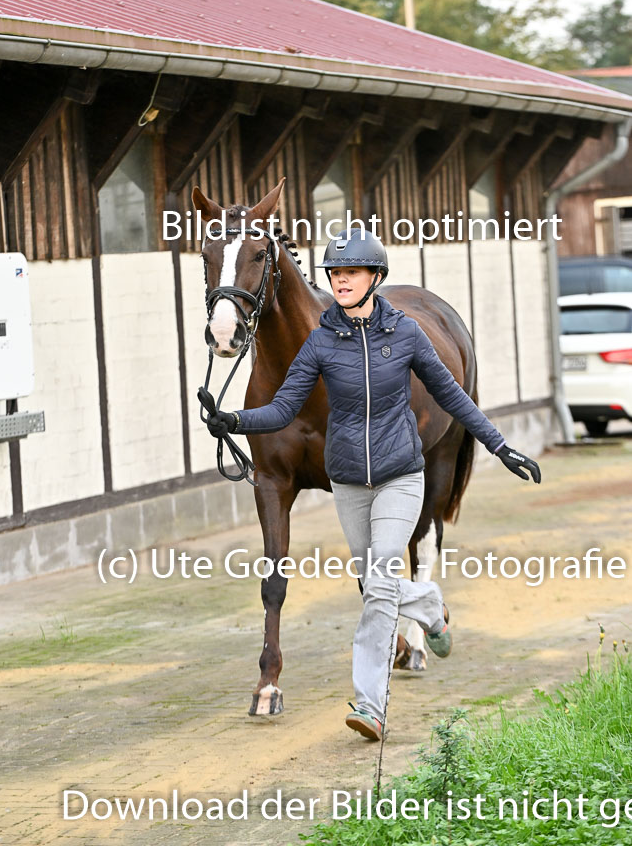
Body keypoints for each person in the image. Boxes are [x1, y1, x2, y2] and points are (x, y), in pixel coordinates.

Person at [205, 230, 541, 742]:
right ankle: (427, 605)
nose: (341, 281)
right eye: (336, 274)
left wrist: (500, 446)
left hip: (400, 475)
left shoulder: (407, 334)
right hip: (348, 484)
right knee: (374, 582)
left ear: (375, 278)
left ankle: (370, 704)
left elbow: (454, 396)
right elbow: (283, 408)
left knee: (379, 586)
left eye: (352, 273)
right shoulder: (319, 342)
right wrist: (232, 420)